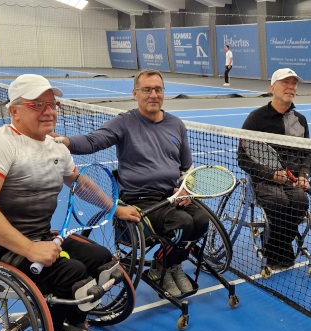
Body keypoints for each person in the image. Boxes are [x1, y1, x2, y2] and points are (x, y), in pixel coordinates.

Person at [0, 74, 140, 331]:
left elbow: (79, 183)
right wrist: (30, 249)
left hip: (40, 237)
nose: (49, 111)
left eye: (52, 104)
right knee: (72, 274)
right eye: (37, 105)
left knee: (102, 260)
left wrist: (115, 208)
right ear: (14, 111)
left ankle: (74, 327)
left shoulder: (57, 147)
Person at [55, 69, 209, 298]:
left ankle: (170, 265)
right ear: (135, 93)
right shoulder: (124, 122)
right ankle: (164, 267)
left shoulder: (176, 125)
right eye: (147, 90)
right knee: (183, 223)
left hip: (171, 196)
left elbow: (187, 169)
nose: (153, 95)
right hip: (139, 200)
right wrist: (62, 141)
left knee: (202, 220)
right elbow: (93, 141)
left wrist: (186, 188)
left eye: (158, 89)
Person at [238, 68, 311, 269]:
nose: (291, 87)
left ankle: (276, 242)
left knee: (300, 202)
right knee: (279, 201)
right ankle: (279, 247)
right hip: (264, 180)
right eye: (285, 82)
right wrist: (270, 174)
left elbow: (307, 154)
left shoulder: (300, 120)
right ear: (272, 88)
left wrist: (304, 175)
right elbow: (243, 159)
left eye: (294, 83)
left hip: (292, 180)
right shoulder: (256, 119)